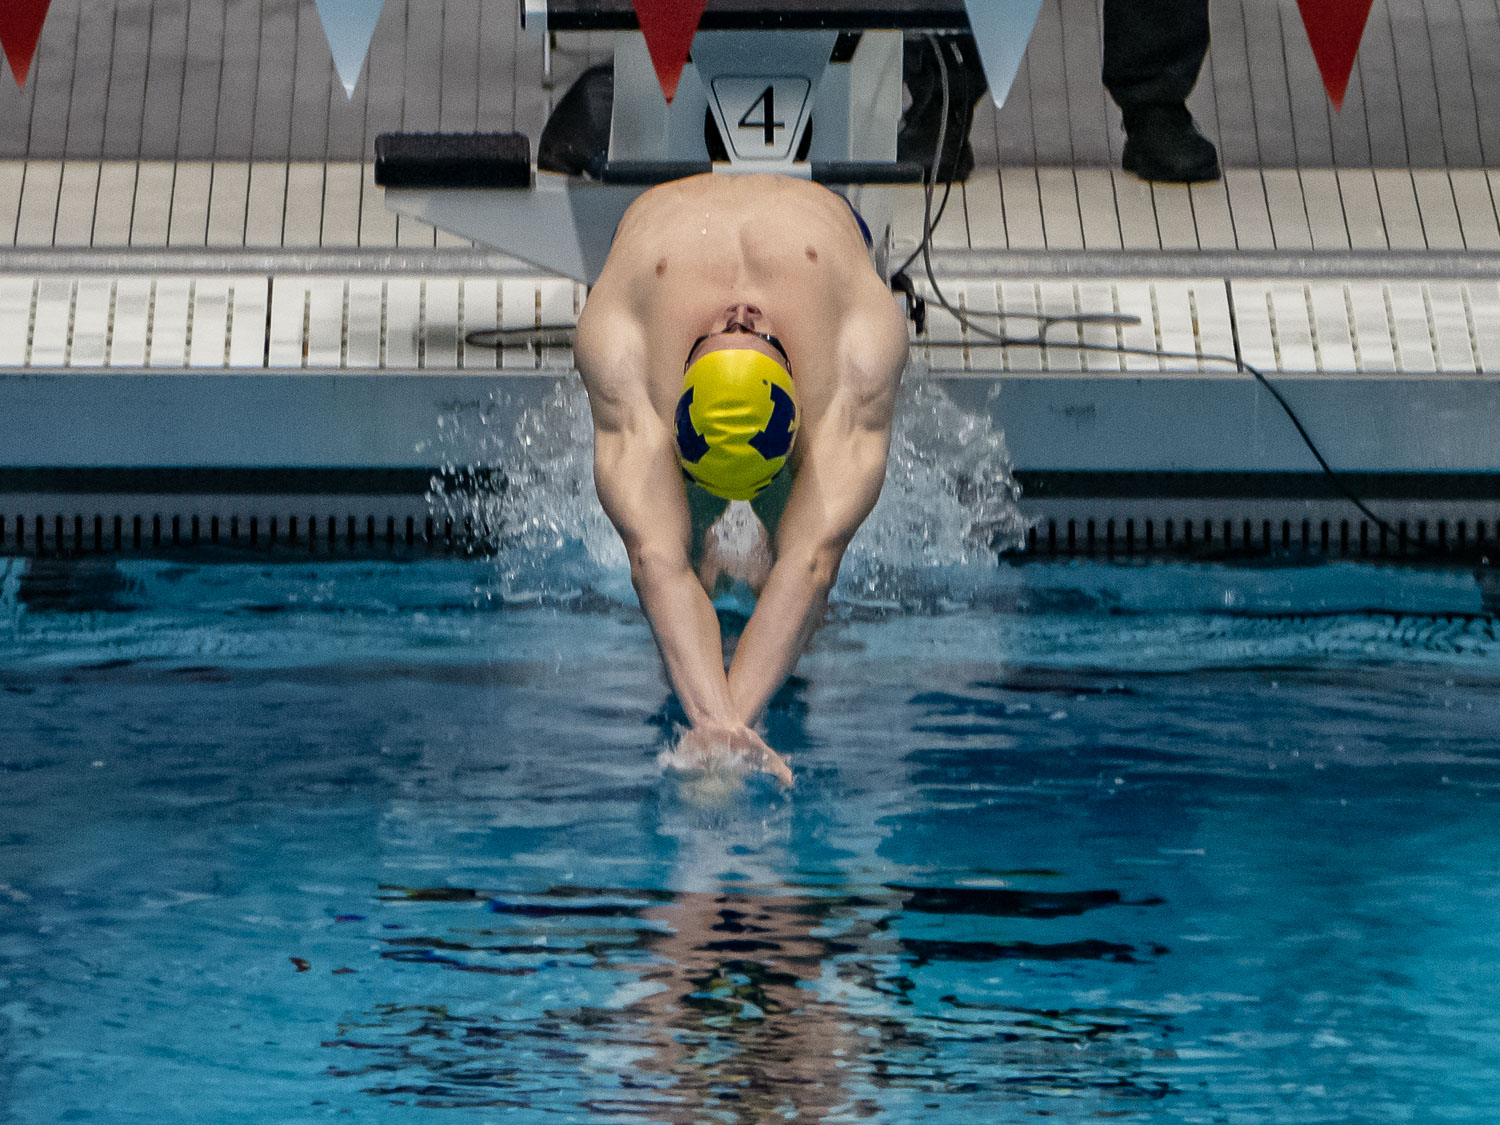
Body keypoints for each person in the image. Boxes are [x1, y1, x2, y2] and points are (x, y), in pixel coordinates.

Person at [574, 173, 909, 786]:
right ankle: (717, 653)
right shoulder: (620, 347)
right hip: (662, 241)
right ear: (678, 381)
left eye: (747, 332)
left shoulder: (859, 352)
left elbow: (814, 561)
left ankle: (744, 658)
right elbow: (653, 559)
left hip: (811, 229)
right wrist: (719, 727)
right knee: (677, 543)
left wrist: (728, 727)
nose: (742, 317)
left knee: (796, 537)